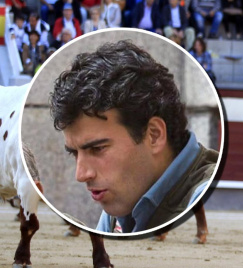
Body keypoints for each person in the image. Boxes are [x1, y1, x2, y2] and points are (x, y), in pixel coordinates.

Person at [50, 40, 219, 234]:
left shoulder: (206, 195)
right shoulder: (125, 196)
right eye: (74, 153)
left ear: (154, 135)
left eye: (97, 149)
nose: (81, 175)